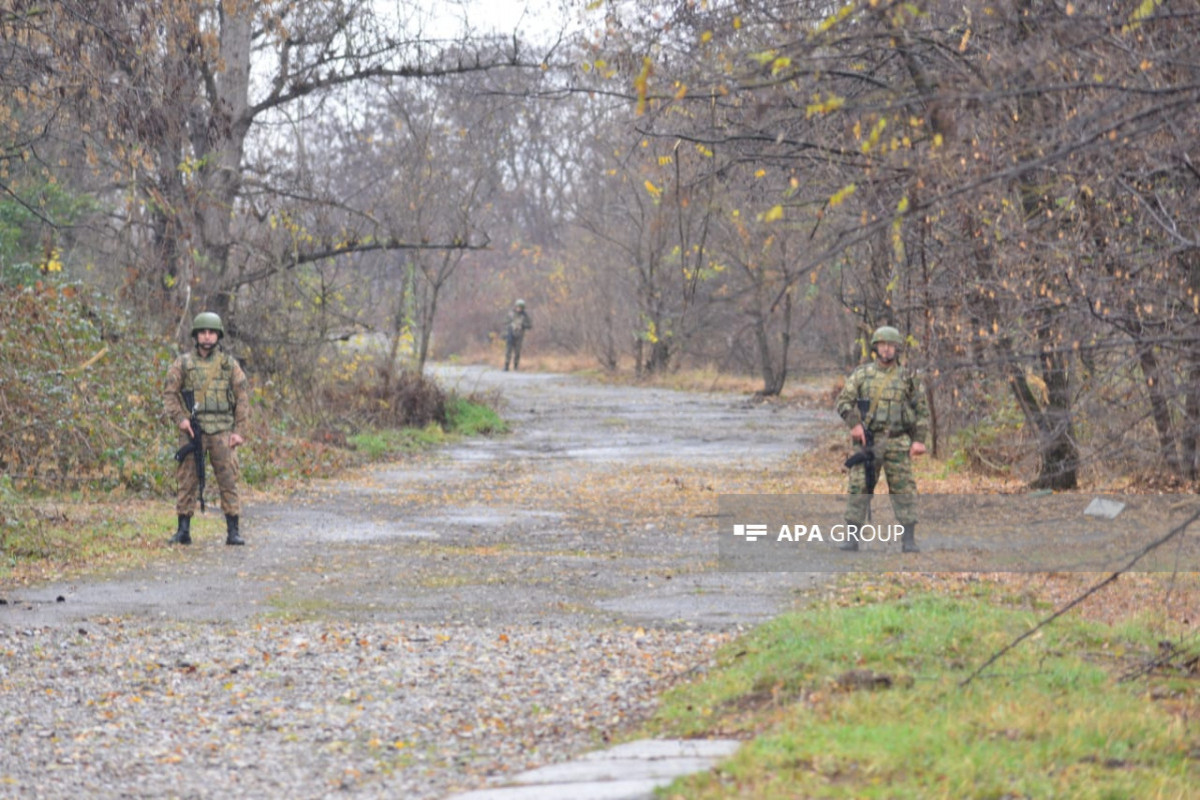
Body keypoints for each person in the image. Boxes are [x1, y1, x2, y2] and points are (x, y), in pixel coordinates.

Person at [834, 325, 930, 552]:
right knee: (860, 486)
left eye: (891, 346)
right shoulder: (862, 374)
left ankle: (908, 539)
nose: (887, 350)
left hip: (897, 441)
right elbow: (843, 401)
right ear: (876, 347)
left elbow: (922, 411)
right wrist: (854, 424)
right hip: (870, 441)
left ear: (898, 349)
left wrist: (919, 440)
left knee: (903, 488)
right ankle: (851, 537)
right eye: (882, 345)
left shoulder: (908, 377)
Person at [163, 312, 250, 546]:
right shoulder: (182, 364)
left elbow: (242, 398)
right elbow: (170, 395)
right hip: (194, 431)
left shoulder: (228, 365)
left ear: (218, 335)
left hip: (222, 430)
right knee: (187, 479)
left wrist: (239, 431)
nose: (208, 337)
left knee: (229, 479)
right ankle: (183, 529)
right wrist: (181, 419)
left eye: (212, 333)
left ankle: (233, 530)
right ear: (196, 335)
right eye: (203, 332)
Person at [503, 298, 533, 371]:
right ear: (515, 306)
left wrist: (523, 325)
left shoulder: (525, 316)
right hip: (510, 334)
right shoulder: (511, 314)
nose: (519, 309)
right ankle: (506, 366)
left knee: (517, 351)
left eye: (520, 307)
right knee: (508, 351)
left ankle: (516, 366)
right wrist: (510, 326)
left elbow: (530, 325)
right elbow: (505, 322)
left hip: (519, 335)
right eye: (518, 307)